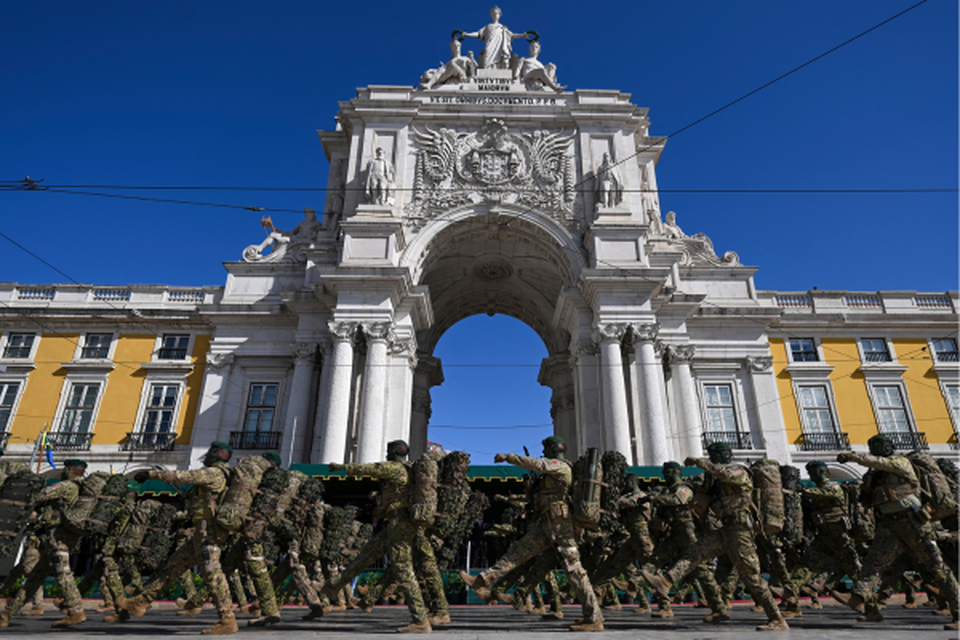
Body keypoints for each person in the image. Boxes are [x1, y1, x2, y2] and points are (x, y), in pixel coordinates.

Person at [461, 436, 603, 632]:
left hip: (560, 524)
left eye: (546, 449)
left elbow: (537, 463)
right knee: (518, 551)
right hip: (546, 521)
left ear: (554, 450)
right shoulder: (554, 470)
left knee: (573, 568)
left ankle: (593, 617)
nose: (543, 452)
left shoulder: (560, 466)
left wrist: (508, 457)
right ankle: (483, 581)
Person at [642, 442, 789, 631]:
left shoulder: (740, 471)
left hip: (741, 531)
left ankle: (777, 618)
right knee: (695, 551)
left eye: (713, 455)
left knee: (751, 577)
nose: (711, 459)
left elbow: (726, 474)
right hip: (725, 530)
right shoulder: (716, 480)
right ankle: (666, 582)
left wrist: (700, 462)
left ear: (720, 455)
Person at [834, 434, 959, 630]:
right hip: (889, 525)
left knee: (937, 568)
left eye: (880, 445)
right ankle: (865, 605)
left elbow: (881, 462)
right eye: (873, 445)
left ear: (889, 446)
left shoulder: (900, 462)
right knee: (873, 564)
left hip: (913, 522)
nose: (877, 448)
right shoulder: (875, 474)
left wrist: (853, 457)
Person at [118, 441, 237, 636]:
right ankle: (141, 602)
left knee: (212, 573)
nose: (209, 454)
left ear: (222, 453)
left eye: (213, 451)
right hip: (201, 528)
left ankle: (228, 619)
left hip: (208, 530)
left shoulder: (215, 473)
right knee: (174, 565)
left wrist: (152, 474)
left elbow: (182, 476)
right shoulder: (223, 474)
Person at [325, 441, 432, 633]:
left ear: (393, 453)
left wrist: (342, 467)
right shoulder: (405, 471)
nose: (387, 454)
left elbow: (371, 469)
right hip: (395, 521)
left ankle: (421, 620)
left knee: (403, 569)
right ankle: (334, 585)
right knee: (367, 554)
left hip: (400, 522)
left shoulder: (395, 468)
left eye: (388, 451)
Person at [0, 459, 88, 629]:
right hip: (64, 536)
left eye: (64, 469)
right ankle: (6, 614)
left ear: (70, 470)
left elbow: (38, 496)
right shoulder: (81, 488)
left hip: (58, 535)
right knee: (35, 578)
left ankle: (76, 611)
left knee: (63, 573)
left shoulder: (66, 486)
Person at [461, 7, 528, 69]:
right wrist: (467, 34)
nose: (495, 15)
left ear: (499, 15)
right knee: (486, 60)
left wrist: (523, 35)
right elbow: (478, 34)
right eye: (493, 13)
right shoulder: (488, 27)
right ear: (491, 15)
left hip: (500, 47)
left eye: (497, 13)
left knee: (500, 60)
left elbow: (512, 35)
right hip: (490, 45)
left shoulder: (502, 28)